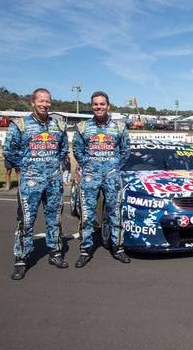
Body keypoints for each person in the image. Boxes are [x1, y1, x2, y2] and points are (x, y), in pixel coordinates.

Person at [3, 88, 69, 280]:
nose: (44, 105)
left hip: (53, 181)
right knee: (26, 221)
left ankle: (55, 253)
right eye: (41, 101)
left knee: (54, 219)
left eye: (47, 101)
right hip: (30, 183)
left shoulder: (57, 125)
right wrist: (28, 165)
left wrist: (50, 166)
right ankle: (21, 258)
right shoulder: (20, 125)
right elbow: (9, 150)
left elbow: (63, 148)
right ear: (32, 102)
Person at [73, 91, 130, 268]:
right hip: (90, 176)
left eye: (102, 104)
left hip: (112, 176)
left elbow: (125, 151)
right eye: (96, 104)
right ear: (92, 106)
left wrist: (114, 166)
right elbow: (77, 151)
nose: (99, 107)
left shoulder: (119, 127)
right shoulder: (82, 127)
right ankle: (85, 249)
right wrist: (90, 166)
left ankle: (117, 247)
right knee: (87, 214)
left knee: (115, 212)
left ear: (108, 106)